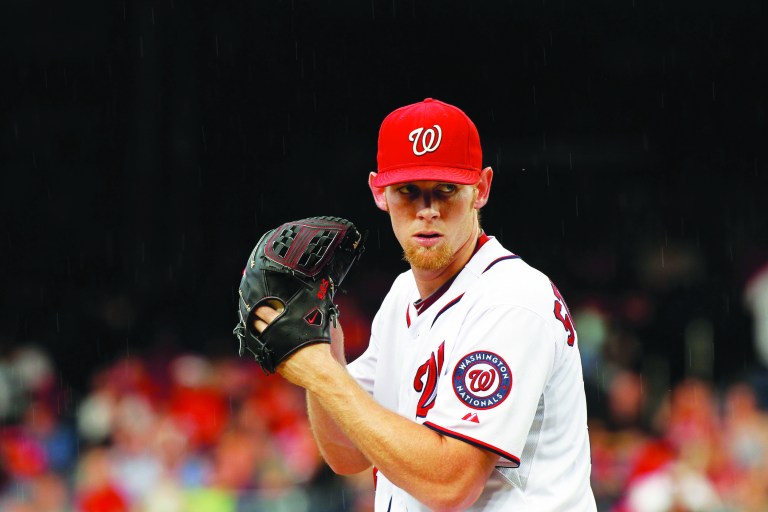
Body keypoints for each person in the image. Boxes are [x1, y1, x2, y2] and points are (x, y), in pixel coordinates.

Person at [252, 98, 597, 511]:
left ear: (481, 189)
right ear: (379, 192)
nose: (427, 210)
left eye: (446, 189)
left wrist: (323, 376)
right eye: (408, 191)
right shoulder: (402, 296)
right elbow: (347, 453)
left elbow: (450, 485)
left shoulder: (512, 301)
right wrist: (324, 351)